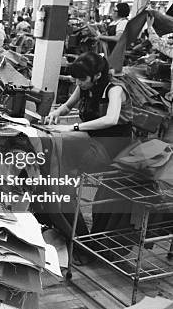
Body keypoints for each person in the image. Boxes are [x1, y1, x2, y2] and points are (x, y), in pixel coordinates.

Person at [45, 52, 134, 236]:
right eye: (75, 79)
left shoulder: (114, 89)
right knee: (53, 156)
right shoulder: (84, 85)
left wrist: (73, 128)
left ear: (98, 75)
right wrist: (56, 113)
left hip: (114, 145)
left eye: (82, 79)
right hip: (91, 139)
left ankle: (74, 228)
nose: (78, 83)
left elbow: (111, 119)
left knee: (61, 170)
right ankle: (64, 218)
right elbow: (68, 106)